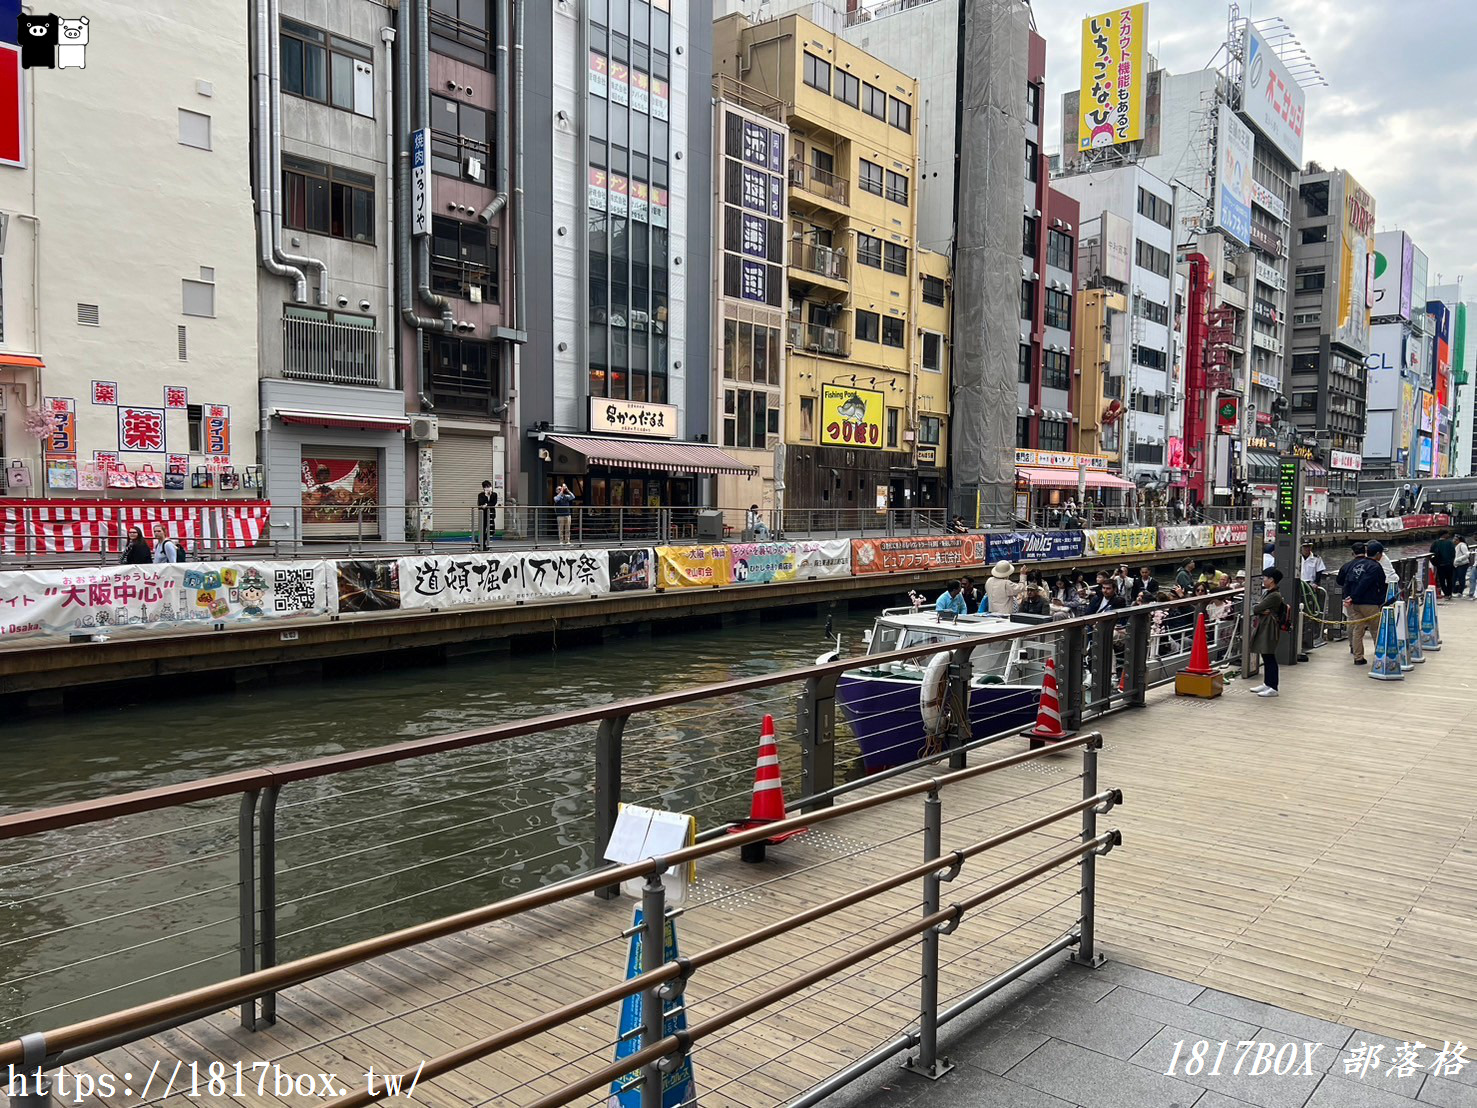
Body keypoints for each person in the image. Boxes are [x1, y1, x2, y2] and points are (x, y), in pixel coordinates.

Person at [1337, 542, 1386, 665]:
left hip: (1355, 604)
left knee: (1358, 630)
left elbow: (1346, 581)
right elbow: (1379, 584)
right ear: (1378, 554)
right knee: (1376, 630)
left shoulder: (1354, 565)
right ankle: (1380, 655)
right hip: (1370, 602)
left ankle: (1358, 657)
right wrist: (1381, 601)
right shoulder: (1375, 567)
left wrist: (1350, 597)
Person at [1249, 568, 1287, 698]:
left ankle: (1273, 686)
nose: (1263, 580)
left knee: (1269, 655)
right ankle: (1267, 683)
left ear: (1271, 580)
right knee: (1265, 655)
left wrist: (1260, 609)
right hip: (1264, 625)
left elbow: (1257, 607)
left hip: (1270, 627)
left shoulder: (1274, 595)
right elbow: (1260, 608)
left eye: (1265, 578)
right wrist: (1261, 609)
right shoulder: (1268, 593)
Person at [1429, 530, 1457, 599]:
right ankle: (1449, 593)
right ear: (1444, 535)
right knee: (1449, 579)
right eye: (1447, 534)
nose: (1448, 535)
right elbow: (1453, 553)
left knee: (1442, 580)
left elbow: (1431, 553)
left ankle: (1446, 593)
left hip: (1440, 565)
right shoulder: (1450, 543)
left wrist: (1434, 562)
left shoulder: (1435, 543)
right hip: (1449, 564)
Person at [477, 480, 498, 549]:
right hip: (483, 515)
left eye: (489, 486)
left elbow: (493, 503)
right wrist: (486, 496)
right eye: (486, 487)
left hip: (491, 515)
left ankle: (480, 540)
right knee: (483, 530)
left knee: (492, 531)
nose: (488, 488)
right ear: (483, 488)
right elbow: (480, 503)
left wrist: (486, 504)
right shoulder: (481, 495)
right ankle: (483, 545)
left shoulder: (494, 494)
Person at [1455, 534, 1472, 598]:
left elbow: (1467, 554)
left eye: (1455, 539)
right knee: (1458, 578)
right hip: (1458, 564)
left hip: (1462, 564)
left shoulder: (1462, 545)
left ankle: (1460, 591)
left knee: (1461, 578)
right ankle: (1456, 590)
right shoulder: (1457, 545)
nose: (1454, 540)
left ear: (1458, 540)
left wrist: (1458, 559)